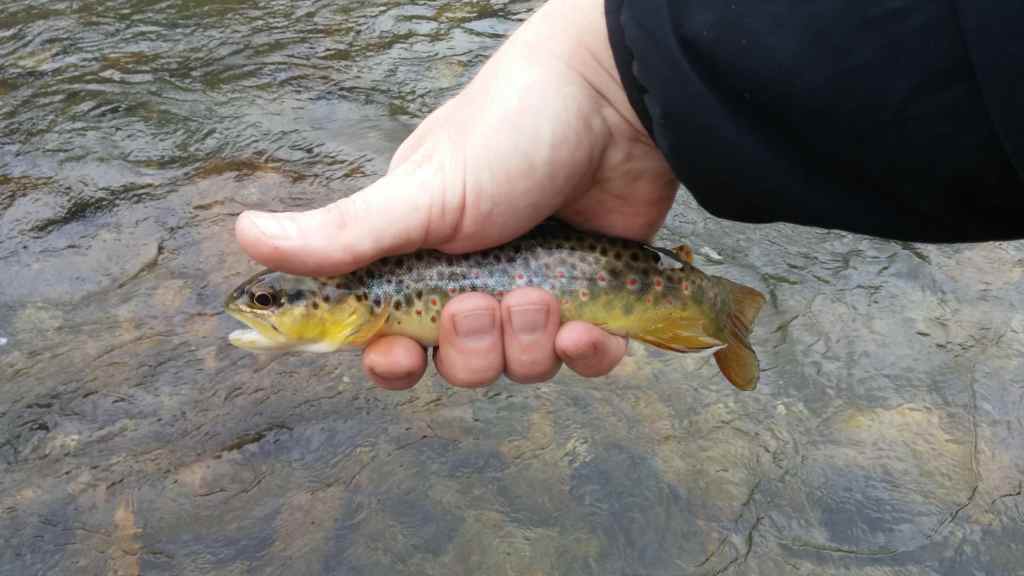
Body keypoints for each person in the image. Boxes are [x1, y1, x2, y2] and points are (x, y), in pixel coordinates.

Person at [234, 0, 1022, 390]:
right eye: (273, 300)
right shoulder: (380, 291)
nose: (261, 307)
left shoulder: (376, 292)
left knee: (625, 321)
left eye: (274, 299)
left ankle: (713, 311)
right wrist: (607, 78)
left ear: (331, 289)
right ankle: (708, 308)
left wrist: (610, 74)